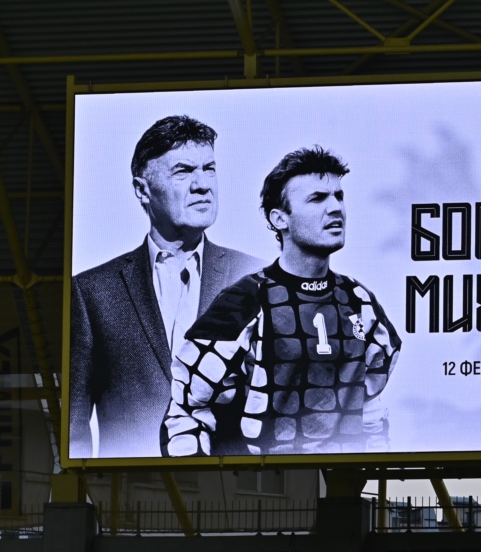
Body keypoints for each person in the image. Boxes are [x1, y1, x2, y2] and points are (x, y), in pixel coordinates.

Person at [161, 146, 401, 457]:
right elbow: (188, 410)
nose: (336, 209)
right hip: (264, 481)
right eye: (318, 198)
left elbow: (370, 408)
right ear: (279, 219)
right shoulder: (244, 302)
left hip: (340, 481)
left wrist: (372, 464)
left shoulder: (360, 302)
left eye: (339, 196)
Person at [69, 115, 262, 458]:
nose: (203, 185)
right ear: (142, 190)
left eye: (209, 169)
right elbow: (74, 426)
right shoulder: (93, 292)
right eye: (183, 171)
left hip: (231, 483)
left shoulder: (256, 278)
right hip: (132, 484)